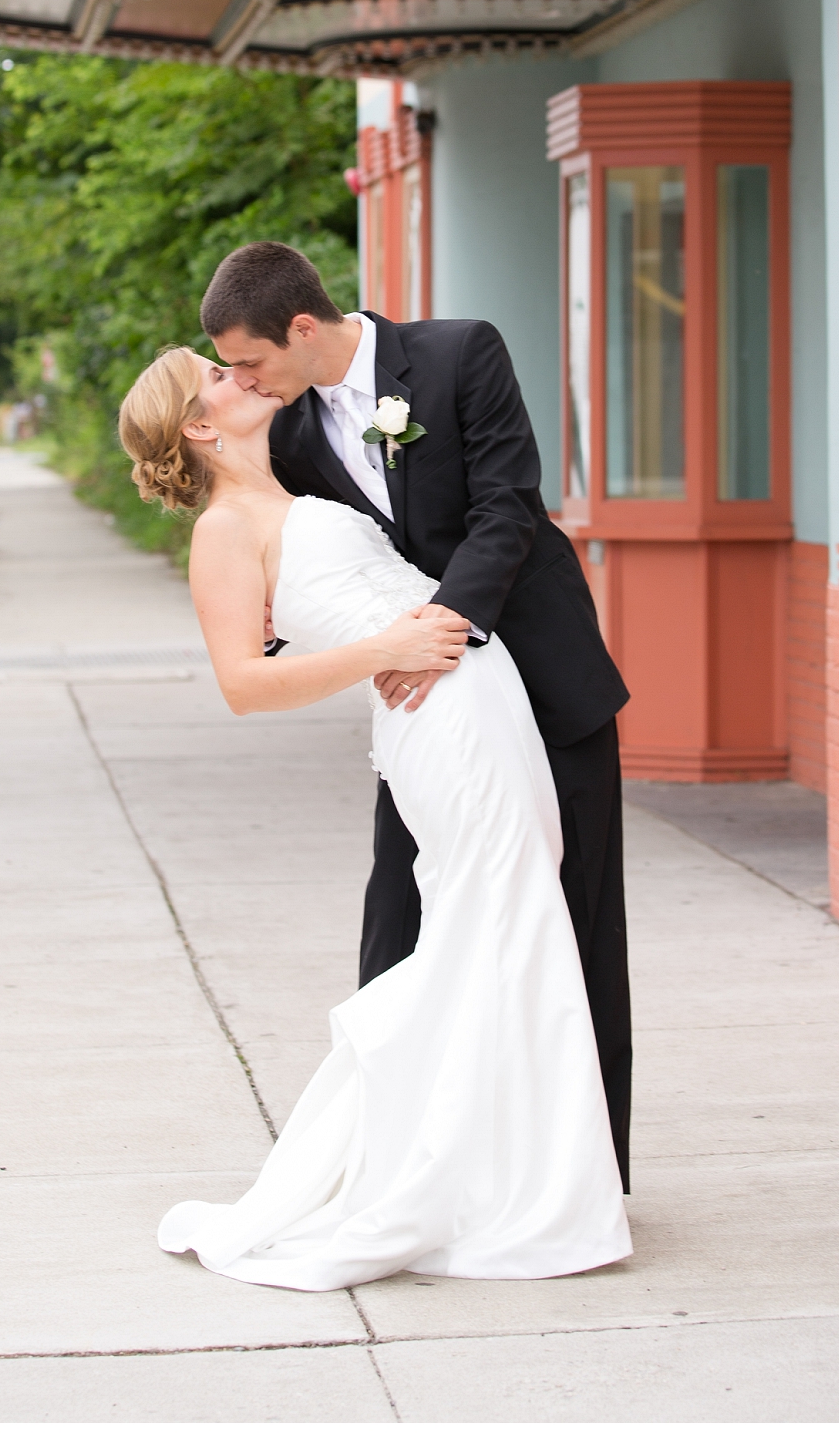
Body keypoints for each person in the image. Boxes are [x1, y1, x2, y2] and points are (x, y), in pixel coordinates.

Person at [119, 344, 631, 1290]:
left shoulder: (299, 480)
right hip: (437, 726)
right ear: (199, 426)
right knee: (502, 924)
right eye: (221, 379)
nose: (244, 380)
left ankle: (503, 1176)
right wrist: (384, 647)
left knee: (513, 923)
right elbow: (244, 686)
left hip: (487, 701)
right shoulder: (225, 529)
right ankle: (493, 1188)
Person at [201, 242, 632, 1189]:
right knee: (399, 922)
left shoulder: (459, 354)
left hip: (542, 680)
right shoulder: (294, 433)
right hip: (428, 716)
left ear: (303, 328)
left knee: (571, 921)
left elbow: (508, 508)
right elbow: (310, 557)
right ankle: (400, 1158)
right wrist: (278, 624)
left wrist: (445, 624)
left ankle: (581, 1170)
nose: (241, 380)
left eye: (251, 361)